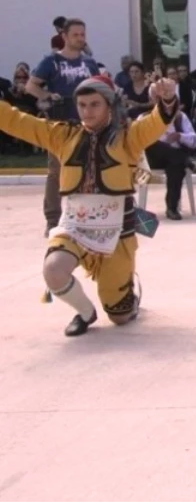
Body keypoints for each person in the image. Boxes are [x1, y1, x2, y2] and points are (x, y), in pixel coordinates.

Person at [0, 75, 178, 336]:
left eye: (94, 104)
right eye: (82, 105)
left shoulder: (128, 138)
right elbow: (17, 122)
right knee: (53, 269)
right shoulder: (62, 135)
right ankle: (85, 312)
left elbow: (156, 122)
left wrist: (168, 98)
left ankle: (128, 294)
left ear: (109, 105)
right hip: (74, 228)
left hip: (116, 235)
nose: (87, 111)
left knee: (120, 316)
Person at [25, 18, 101, 235]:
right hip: (59, 124)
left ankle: (87, 218)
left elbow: (99, 88)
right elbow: (31, 86)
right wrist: (48, 96)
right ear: (65, 37)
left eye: (83, 34)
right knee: (56, 173)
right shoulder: (51, 61)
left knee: (91, 170)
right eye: (76, 35)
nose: (80, 38)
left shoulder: (90, 63)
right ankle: (52, 220)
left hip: (88, 123)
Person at [144, 87, 196, 220]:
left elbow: (194, 141)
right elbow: (138, 142)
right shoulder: (144, 117)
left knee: (176, 166)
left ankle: (172, 208)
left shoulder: (180, 117)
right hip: (152, 158)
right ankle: (186, 160)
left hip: (173, 159)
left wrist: (179, 136)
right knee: (153, 144)